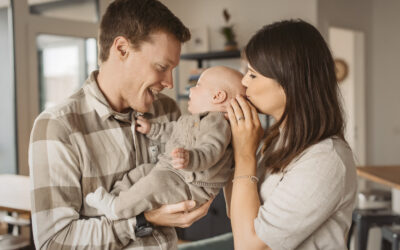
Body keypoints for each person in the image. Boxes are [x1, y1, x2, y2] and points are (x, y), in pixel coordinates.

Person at [28, 0, 212, 249]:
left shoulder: (168, 112)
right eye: (161, 67)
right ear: (122, 49)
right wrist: (143, 220)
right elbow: (54, 242)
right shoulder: (58, 128)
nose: (169, 82)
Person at [224, 19, 357, 249]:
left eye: (253, 75)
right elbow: (238, 216)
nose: (244, 82)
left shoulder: (325, 160)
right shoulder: (279, 141)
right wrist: (229, 148)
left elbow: (248, 245)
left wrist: (245, 156)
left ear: (289, 83)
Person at [85, 66, 245, 220]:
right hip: (172, 172)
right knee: (142, 172)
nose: (191, 89)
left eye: (198, 85)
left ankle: (117, 208)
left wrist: (190, 158)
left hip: (190, 184)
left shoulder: (217, 123)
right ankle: (115, 196)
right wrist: (152, 129)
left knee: (154, 183)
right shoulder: (193, 120)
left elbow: (211, 150)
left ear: (217, 96)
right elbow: (174, 130)